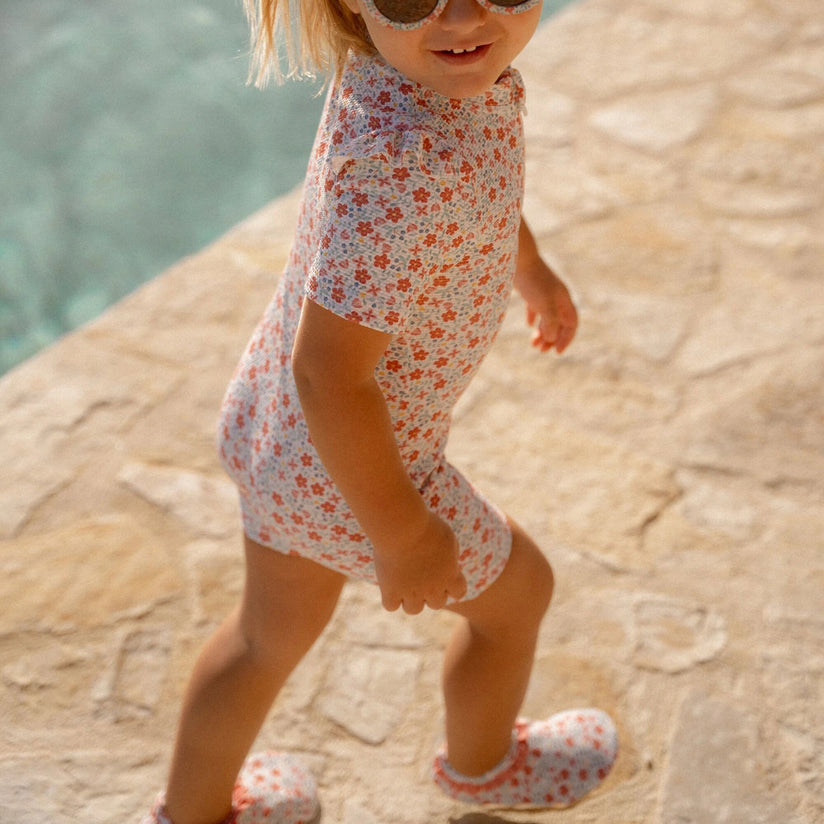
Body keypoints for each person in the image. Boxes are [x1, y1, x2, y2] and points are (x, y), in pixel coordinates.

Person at [142, 0, 618, 822]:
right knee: (520, 597)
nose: (462, 15)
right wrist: (402, 531)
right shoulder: (400, 163)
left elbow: (487, 186)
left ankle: (190, 817)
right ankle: (485, 766)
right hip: (357, 465)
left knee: (265, 639)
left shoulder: (426, 82)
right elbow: (331, 376)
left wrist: (529, 270)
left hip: (279, 435)